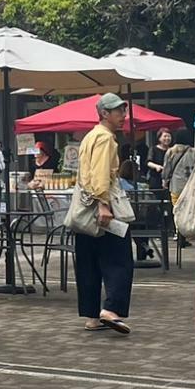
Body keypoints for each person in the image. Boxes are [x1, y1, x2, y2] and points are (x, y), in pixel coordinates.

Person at [73, 94, 133, 335]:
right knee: (119, 259)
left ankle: (91, 315)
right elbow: (100, 174)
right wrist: (103, 203)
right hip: (101, 204)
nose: (123, 116)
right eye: (118, 112)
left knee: (88, 262)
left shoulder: (89, 136)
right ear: (104, 113)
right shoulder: (106, 138)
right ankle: (111, 309)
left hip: (83, 207)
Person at [155, 128, 195, 198]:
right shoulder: (194, 152)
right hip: (191, 185)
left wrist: (164, 181)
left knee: (177, 207)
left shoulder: (171, 151)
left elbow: (167, 168)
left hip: (176, 186)